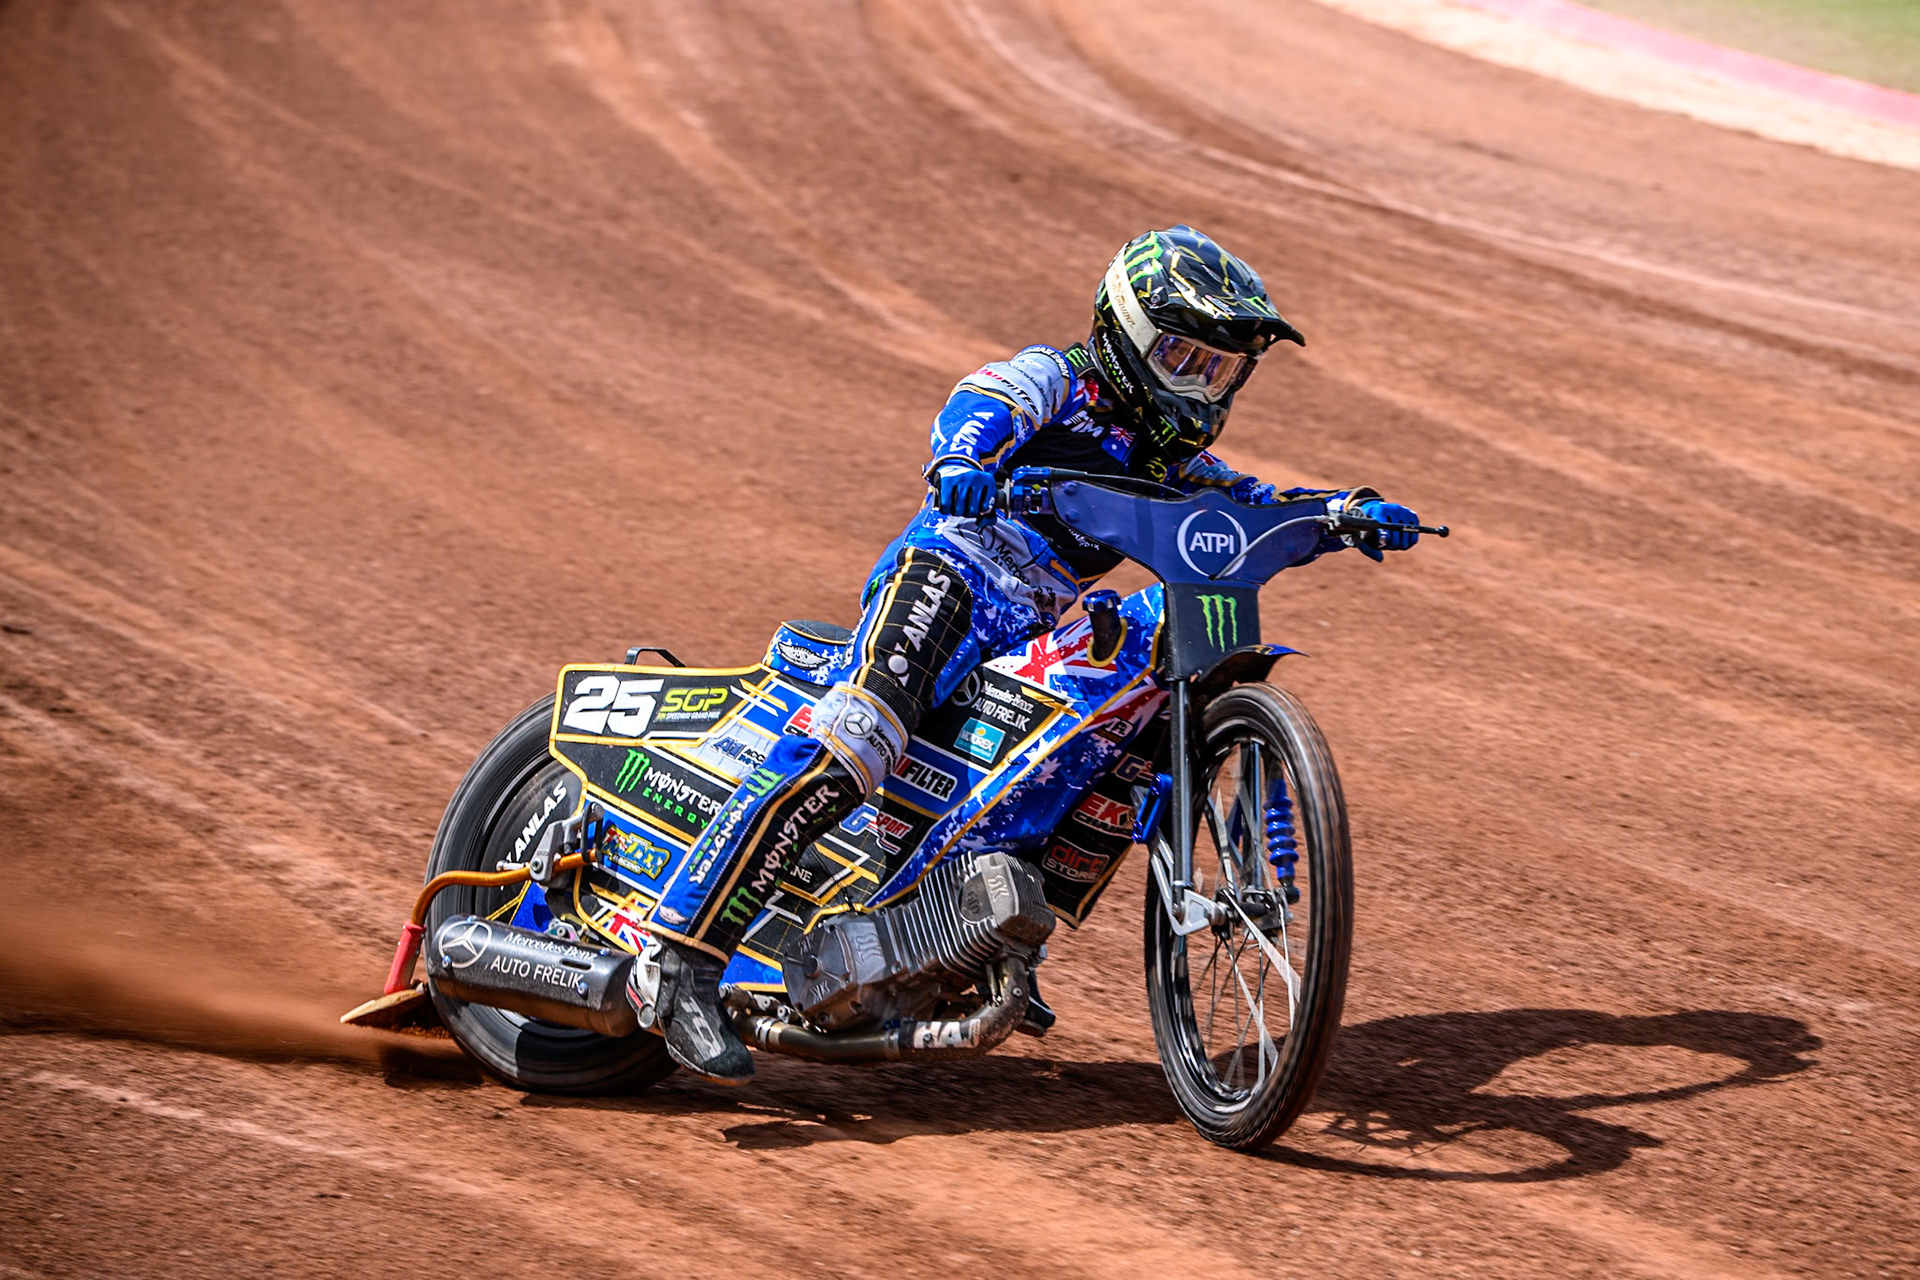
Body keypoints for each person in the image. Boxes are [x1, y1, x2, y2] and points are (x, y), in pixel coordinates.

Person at [632, 225, 1422, 1083]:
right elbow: (985, 399)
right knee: (856, 741)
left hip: (1033, 626)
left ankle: (985, 937)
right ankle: (680, 958)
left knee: (1111, 738)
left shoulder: (1175, 459)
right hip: (952, 576)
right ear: (1131, 337)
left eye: (1222, 370)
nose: (1204, 386)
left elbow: (1254, 503)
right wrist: (962, 458)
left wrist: (1345, 512)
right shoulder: (1060, 379)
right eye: (1188, 359)